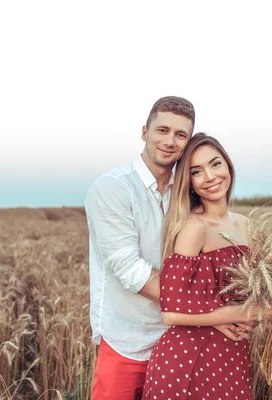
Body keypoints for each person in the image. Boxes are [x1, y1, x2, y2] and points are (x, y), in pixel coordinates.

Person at [85, 98, 253, 399]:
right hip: (128, 340)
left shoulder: (189, 193)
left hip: (187, 340)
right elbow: (129, 269)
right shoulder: (113, 189)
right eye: (162, 130)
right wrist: (218, 312)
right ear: (144, 131)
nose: (169, 141)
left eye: (180, 135)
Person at [142, 133, 272, 400]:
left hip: (231, 356)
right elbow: (172, 314)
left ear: (228, 165)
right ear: (188, 182)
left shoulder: (244, 224)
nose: (210, 177)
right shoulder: (193, 227)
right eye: (197, 171)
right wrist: (260, 311)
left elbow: (252, 290)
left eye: (215, 164)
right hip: (189, 360)